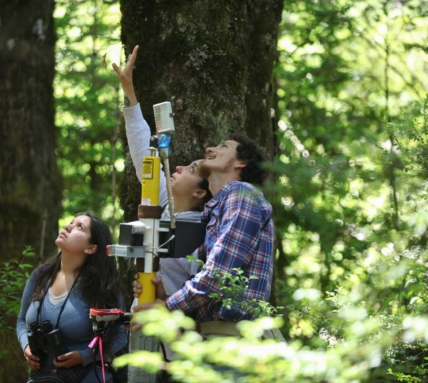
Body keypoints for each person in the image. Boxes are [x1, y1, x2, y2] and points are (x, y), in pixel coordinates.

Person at [133, 133, 275, 338]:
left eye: (223, 146)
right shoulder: (216, 208)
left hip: (235, 340)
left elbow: (219, 274)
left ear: (241, 162)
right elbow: (211, 286)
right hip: (213, 337)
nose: (209, 149)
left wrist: (168, 306)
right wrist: (165, 297)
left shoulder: (241, 194)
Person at [112, 45, 212, 296]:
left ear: (200, 193)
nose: (178, 166)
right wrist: (129, 92)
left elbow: (199, 286)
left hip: (175, 326)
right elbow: (143, 154)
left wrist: (163, 292)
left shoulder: (203, 230)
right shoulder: (164, 200)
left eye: (191, 169)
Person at [16, 212, 128, 383]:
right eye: (71, 222)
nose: (68, 226)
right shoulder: (40, 276)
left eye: (79, 227)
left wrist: (85, 356)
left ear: (91, 248)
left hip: (87, 377)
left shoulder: (103, 286)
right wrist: (26, 346)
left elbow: (120, 337)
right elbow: (21, 320)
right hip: (42, 377)